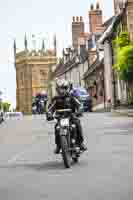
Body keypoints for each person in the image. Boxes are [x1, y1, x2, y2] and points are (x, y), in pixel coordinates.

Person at [46, 79, 87, 154]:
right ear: (57, 89)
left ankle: (81, 143)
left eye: (64, 88)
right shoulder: (55, 99)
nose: (62, 91)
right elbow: (50, 108)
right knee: (57, 128)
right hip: (60, 118)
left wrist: (79, 111)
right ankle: (58, 145)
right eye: (60, 89)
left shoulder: (72, 97)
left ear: (67, 88)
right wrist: (49, 114)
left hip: (71, 117)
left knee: (77, 124)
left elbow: (79, 105)